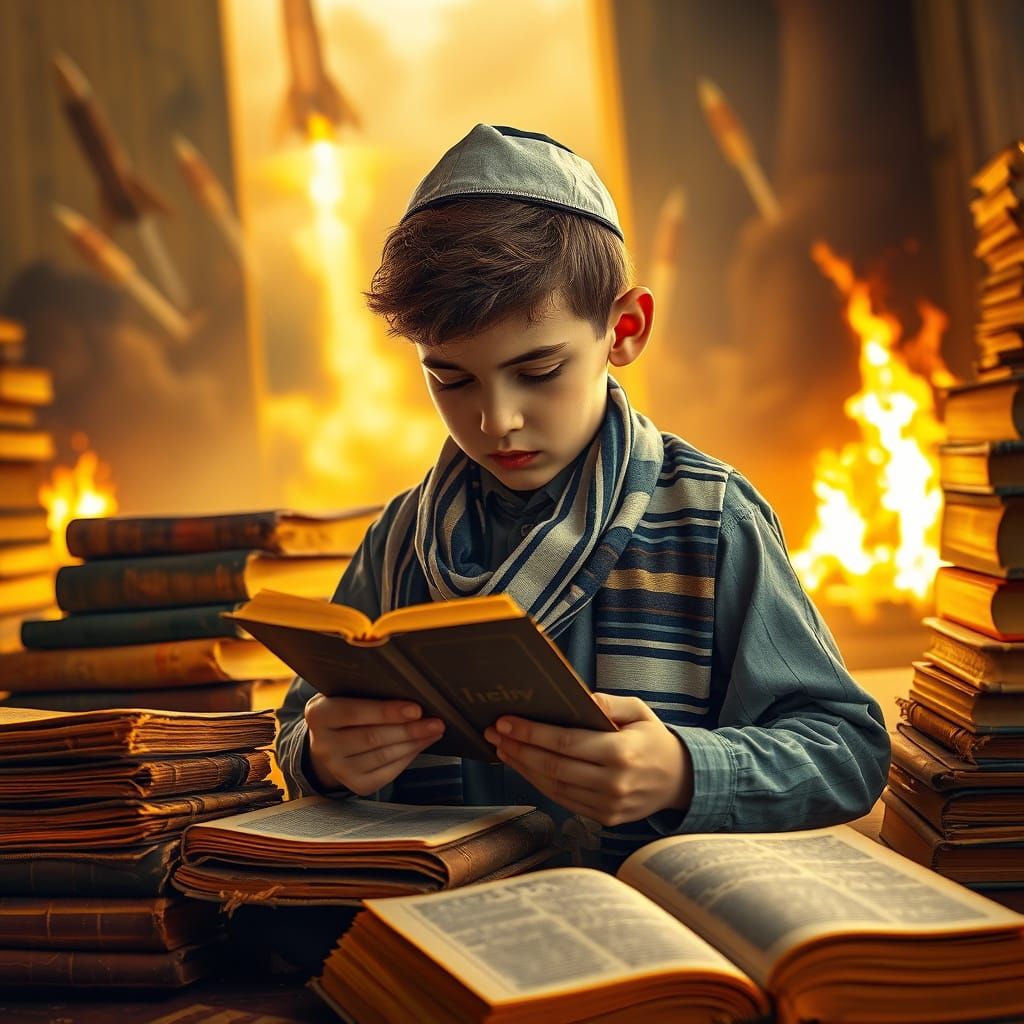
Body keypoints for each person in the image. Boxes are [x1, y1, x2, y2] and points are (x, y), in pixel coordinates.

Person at [277, 124, 890, 871]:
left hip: (657, 942)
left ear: (624, 329)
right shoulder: (401, 537)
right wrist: (324, 755)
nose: (496, 420)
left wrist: (682, 770)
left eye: (538, 371)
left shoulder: (713, 520)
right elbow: (298, 728)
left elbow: (848, 750)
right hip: (435, 943)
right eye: (451, 379)